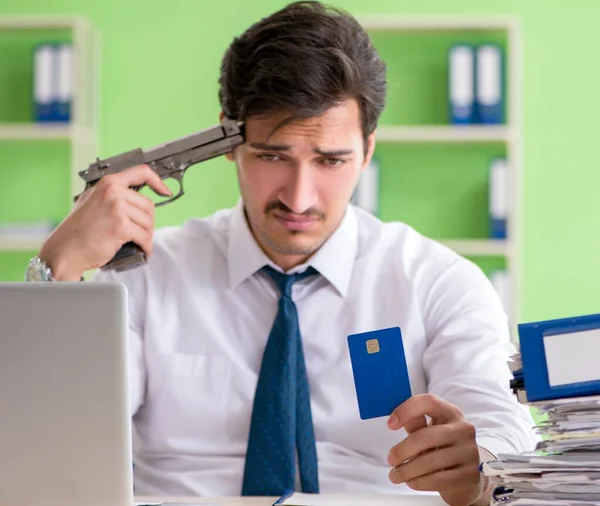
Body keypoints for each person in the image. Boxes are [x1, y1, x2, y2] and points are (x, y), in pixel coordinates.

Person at [28, 1, 537, 504]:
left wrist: (478, 469)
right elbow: (46, 442)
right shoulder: (144, 277)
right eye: (273, 155)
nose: (299, 197)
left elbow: (502, 429)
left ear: (368, 150)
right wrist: (57, 271)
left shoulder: (438, 282)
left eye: (331, 160)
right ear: (228, 138)